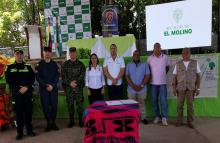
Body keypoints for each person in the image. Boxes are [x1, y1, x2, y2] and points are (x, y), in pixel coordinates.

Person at [5, 48, 35, 140]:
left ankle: (29, 131)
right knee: (18, 114)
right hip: (17, 94)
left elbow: (32, 79)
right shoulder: (9, 67)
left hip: (27, 93)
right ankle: (20, 133)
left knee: (28, 113)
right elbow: (9, 80)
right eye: (17, 54)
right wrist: (19, 88)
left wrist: (26, 87)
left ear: (23, 55)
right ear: (14, 55)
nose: (19, 56)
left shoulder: (28, 66)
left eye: (21, 54)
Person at [172, 48, 201, 129]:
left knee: (190, 106)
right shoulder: (178, 64)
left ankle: (190, 122)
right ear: (182, 54)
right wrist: (174, 88)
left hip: (191, 88)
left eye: (187, 53)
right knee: (179, 106)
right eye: (184, 53)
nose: (186, 54)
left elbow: (198, 76)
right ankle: (179, 120)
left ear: (190, 54)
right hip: (180, 88)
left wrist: (198, 88)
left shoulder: (195, 63)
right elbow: (174, 77)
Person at [36, 47, 59, 132]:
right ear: (43, 53)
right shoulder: (39, 64)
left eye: (49, 52)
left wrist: (52, 85)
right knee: (45, 106)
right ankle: (48, 123)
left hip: (53, 89)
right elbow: (38, 77)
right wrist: (46, 85)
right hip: (44, 89)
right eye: (45, 52)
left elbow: (57, 76)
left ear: (51, 53)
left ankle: (53, 123)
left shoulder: (54, 64)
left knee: (54, 106)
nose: (47, 53)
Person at [61, 47, 86, 128]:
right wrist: (70, 83)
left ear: (76, 53)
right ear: (69, 54)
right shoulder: (65, 64)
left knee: (80, 106)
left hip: (78, 88)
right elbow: (63, 76)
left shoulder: (81, 64)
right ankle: (71, 121)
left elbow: (82, 75)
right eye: (71, 52)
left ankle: (80, 121)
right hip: (69, 89)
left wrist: (76, 82)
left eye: (74, 52)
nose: (72, 54)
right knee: (70, 105)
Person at [125, 50, 150, 124]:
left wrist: (141, 85)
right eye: (134, 54)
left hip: (142, 89)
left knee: (142, 103)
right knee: (131, 104)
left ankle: (143, 118)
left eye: (137, 54)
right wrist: (132, 85)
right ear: (132, 56)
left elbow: (147, 75)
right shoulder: (129, 64)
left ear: (139, 56)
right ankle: (132, 118)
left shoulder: (144, 64)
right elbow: (126, 76)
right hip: (131, 89)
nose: (136, 56)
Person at [147, 43, 169, 126]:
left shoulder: (165, 57)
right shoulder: (149, 58)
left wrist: (161, 75)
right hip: (153, 84)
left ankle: (164, 118)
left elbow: (167, 68)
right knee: (154, 101)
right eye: (155, 48)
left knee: (163, 101)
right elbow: (148, 69)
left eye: (158, 48)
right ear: (153, 49)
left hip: (162, 83)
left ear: (160, 48)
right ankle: (157, 116)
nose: (156, 49)